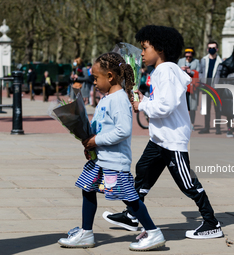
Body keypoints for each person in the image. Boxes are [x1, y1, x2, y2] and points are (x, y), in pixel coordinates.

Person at [103, 25, 224, 240]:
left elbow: (165, 107)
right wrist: (143, 99)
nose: (141, 53)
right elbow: (161, 103)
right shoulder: (160, 71)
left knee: (187, 183)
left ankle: (211, 222)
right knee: (143, 171)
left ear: (160, 49)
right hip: (159, 139)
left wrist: (142, 106)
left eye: (145, 48)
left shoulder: (166, 71)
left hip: (172, 139)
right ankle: (132, 215)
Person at [58, 52, 166, 251]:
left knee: (129, 198)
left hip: (114, 161)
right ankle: (86, 233)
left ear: (110, 76)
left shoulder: (118, 100)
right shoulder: (109, 98)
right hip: (100, 158)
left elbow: (122, 130)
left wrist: (95, 140)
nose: (95, 82)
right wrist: (90, 144)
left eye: (96, 78)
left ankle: (153, 232)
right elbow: (102, 127)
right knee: (88, 188)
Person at [198, 41, 223, 134]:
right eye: (210, 48)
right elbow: (200, 71)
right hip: (206, 87)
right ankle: (206, 127)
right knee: (206, 108)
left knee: (217, 109)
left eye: (214, 47)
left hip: (216, 88)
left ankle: (218, 128)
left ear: (217, 49)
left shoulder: (220, 62)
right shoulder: (203, 60)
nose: (212, 49)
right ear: (207, 49)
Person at [178, 47, 200, 129]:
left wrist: (191, 72)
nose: (188, 58)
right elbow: (176, 71)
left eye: (190, 57)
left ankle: (192, 124)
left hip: (192, 87)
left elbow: (199, 73)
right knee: (183, 106)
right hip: (183, 88)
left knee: (192, 107)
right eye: (187, 56)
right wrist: (181, 69)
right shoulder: (180, 61)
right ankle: (183, 123)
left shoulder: (196, 62)